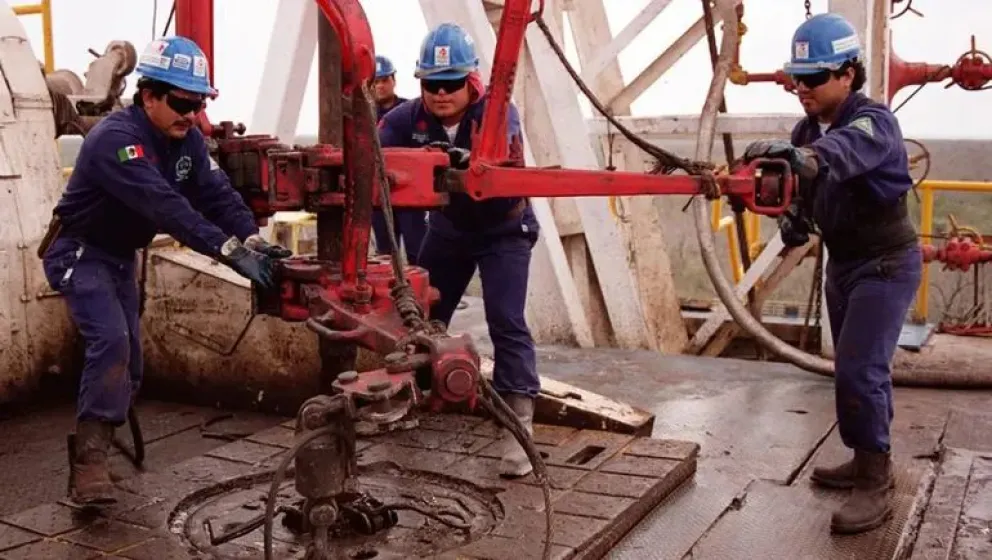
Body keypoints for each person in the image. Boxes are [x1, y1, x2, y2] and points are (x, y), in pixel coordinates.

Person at [40, 36, 292, 505]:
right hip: (80, 251)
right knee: (111, 341)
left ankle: (100, 432)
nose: (190, 113)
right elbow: (167, 206)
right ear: (149, 95)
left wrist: (254, 240)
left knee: (131, 362)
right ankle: (88, 468)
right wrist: (228, 250)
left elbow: (216, 196)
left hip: (119, 256)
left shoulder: (188, 140)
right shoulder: (115, 141)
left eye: (197, 104)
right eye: (181, 102)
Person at [742, 13, 921, 535]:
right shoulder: (805, 128)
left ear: (848, 73)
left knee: (861, 370)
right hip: (844, 264)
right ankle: (862, 459)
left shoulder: (873, 120)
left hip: (885, 264)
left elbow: (838, 154)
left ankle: (876, 480)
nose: (802, 88)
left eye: (814, 77)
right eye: (796, 78)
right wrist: (795, 215)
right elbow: (806, 183)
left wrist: (803, 158)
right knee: (848, 366)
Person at [377, 23, 541, 477]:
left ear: (472, 82)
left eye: (451, 83)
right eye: (432, 84)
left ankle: (518, 425)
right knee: (420, 315)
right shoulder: (402, 122)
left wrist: (476, 166)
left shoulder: (498, 116)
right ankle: (414, 399)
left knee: (506, 321)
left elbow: (507, 174)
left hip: (503, 230)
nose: (441, 93)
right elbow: (368, 155)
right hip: (449, 230)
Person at [370, 54, 427, 266]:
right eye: (375, 81)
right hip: (380, 195)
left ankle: (416, 296)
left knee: (417, 249)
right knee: (384, 254)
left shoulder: (411, 112)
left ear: (393, 80)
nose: (380, 86)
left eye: (384, 80)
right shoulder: (362, 116)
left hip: (410, 194)